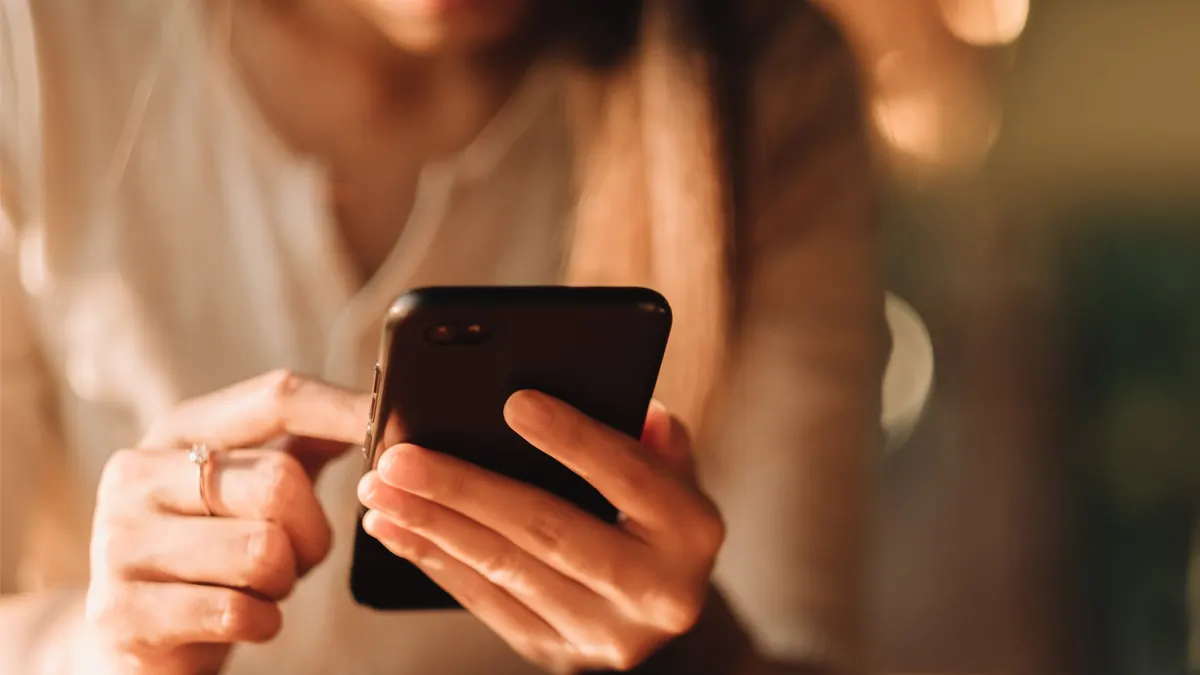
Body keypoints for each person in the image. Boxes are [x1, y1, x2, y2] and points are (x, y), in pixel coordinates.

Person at [0, 1, 886, 673]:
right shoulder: (37, 43)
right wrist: (103, 643)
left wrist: (680, 647)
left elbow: (802, 634)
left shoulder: (762, 75)